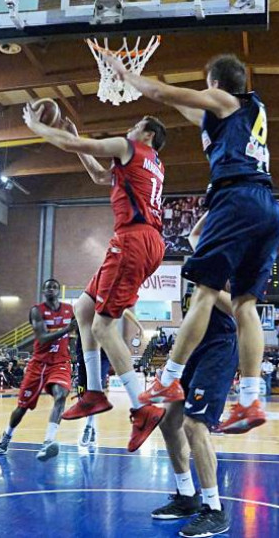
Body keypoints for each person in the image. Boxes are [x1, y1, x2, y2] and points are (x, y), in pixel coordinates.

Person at [107, 53, 279, 434]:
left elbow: (163, 92)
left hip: (236, 197)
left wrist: (126, 74)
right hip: (268, 208)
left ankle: (169, 375)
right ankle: (250, 400)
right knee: (244, 304)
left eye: (207, 85)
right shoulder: (234, 119)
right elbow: (181, 106)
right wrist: (167, 102)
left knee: (205, 292)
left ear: (216, 84)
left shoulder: (227, 100)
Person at [24, 105, 168, 452]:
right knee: (83, 309)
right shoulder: (154, 164)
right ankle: (92, 392)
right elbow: (101, 177)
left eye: (137, 124)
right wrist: (74, 137)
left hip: (133, 239)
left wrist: (36, 127)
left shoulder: (130, 147)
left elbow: (79, 147)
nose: (130, 128)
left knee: (104, 327)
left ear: (147, 135)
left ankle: (142, 406)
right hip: (147, 240)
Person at [151, 216, 236, 537]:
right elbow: (194, 232)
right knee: (168, 421)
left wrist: (208, 286)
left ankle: (214, 508)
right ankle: (187, 496)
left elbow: (241, 311)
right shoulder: (208, 252)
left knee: (193, 423)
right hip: (190, 348)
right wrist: (216, 203)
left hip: (218, 346)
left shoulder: (239, 260)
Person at [0, 279, 77, 461]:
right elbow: (42, 338)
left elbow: (78, 328)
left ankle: (48, 441)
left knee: (61, 395)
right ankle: (7, 435)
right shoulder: (37, 311)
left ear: (58, 291)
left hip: (60, 362)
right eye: (48, 287)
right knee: (22, 408)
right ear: (43, 291)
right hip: (39, 364)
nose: (51, 289)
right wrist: (66, 330)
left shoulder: (69, 310)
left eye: (54, 287)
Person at [76, 309, 143, 449]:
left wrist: (139, 325)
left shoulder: (106, 303)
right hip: (83, 353)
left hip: (101, 355)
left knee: (94, 391)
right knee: (83, 396)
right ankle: (92, 427)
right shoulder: (83, 306)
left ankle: (88, 427)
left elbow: (124, 311)